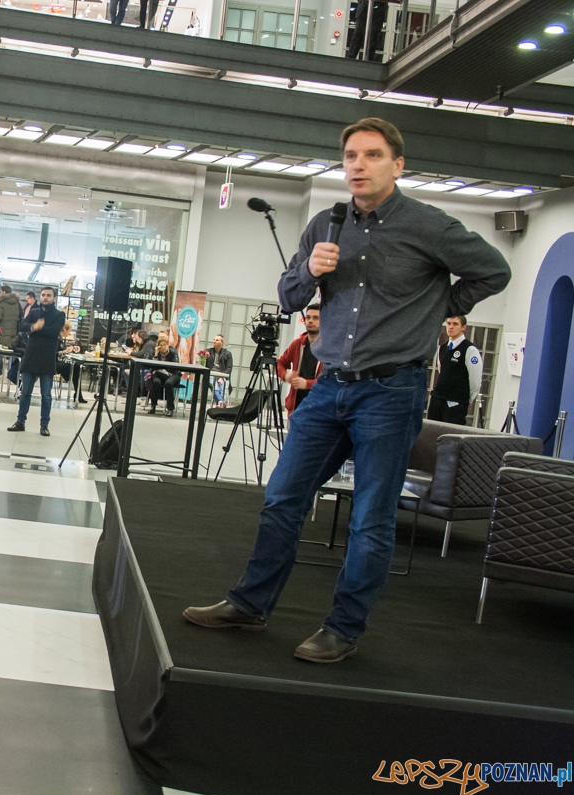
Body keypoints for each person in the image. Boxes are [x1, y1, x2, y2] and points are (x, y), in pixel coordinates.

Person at [182, 117, 511, 664]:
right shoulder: (325, 224)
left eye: (372, 155)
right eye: (351, 156)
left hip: (392, 391)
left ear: (397, 165)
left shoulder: (429, 226)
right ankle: (250, 604)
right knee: (283, 498)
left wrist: (437, 308)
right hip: (329, 384)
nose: (359, 165)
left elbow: (494, 271)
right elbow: (289, 296)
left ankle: (343, 627)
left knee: (370, 518)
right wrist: (309, 270)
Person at [8, 286, 64, 437]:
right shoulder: (34, 312)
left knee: (46, 395)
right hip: (31, 356)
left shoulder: (59, 315)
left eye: (49, 295)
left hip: (47, 358)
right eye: (43, 295)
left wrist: (36, 329)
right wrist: (33, 326)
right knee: (25, 393)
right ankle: (20, 421)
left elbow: (54, 332)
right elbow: (22, 326)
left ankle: (44, 425)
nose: (45, 297)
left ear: (54, 298)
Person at [427, 315, 482, 424]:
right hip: (438, 398)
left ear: (463, 327)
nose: (451, 327)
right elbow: (442, 371)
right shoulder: (442, 348)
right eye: (449, 323)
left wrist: (469, 399)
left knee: (451, 433)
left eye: (455, 324)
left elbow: (475, 379)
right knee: (431, 431)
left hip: (456, 402)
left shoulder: (470, 349)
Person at [276, 303, 324, 416]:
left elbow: (332, 381)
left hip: (320, 408)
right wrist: (286, 376)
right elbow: (280, 363)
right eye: (308, 317)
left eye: (316, 318)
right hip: (296, 406)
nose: (310, 321)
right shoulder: (297, 344)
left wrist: (307, 384)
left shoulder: (330, 348)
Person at [145, 335, 181, 416]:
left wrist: (161, 370)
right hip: (160, 374)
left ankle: (170, 408)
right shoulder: (156, 352)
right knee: (156, 382)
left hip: (173, 374)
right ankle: (153, 406)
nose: (163, 347)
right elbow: (153, 366)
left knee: (168, 383)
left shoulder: (173, 352)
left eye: (164, 345)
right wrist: (156, 354)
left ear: (168, 345)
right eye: (161, 345)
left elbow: (175, 366)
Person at [0, 285, 21, 376]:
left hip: (2, 330)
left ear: (4, 292)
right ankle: (11, 370)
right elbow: (21, 315)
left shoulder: (1, 302)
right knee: (12, 351)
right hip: (13, 331)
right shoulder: (17, 303)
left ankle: (0, 368)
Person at [205, 334, 234, 407]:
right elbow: (203, 364)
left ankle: (219, 403)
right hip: (211, 374)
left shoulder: (228, 354)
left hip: (222, 375)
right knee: (215, 387)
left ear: (222, 343)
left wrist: (222, 377)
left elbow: (229, 368)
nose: (214, 341)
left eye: (217, 340)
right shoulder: (208, 351)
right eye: (214, 339)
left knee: (223, 387)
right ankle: (221, 402)